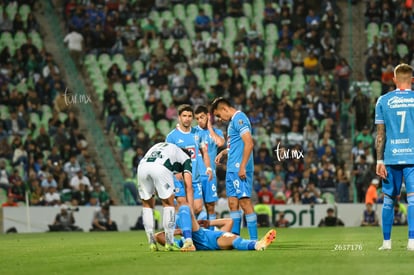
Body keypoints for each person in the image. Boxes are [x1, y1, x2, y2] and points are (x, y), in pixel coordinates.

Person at [375, 63, 414, 251]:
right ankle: (412, 242)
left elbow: (380, 134)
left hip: (391, 157)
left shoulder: (383, 100)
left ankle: (386, 243)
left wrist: (379, 160)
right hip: (413, 157)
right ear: (412, 80)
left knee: (389, 201)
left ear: (394, 80)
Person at [211, 97, 258, 240]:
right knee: (232, 203)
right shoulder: (232, 122)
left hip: (240, 168)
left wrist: (243, 166)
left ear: (225, 109)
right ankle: (235, 238)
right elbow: (236, 145)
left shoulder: (239, 118)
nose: (219, 119)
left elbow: (249, 143)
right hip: (232, 169)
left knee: (244, 202)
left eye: (218, 115)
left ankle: (254, 240)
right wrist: (224, 152)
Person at [137, 142, 196, 252]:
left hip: (142, 166)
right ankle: (169, 243)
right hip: (161, 167)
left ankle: (151, 242)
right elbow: (188, 185)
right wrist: (190, 209)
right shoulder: (186, 158)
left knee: (147, 205)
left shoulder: (163, 146)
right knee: (168, 204)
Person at [154, 206, 276, 251]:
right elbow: (157, 236)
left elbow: (229, 221)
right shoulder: (181, 241)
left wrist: (209, 223)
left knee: (234, 240)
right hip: (196, 237)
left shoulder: (218, 233)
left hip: (213, 241)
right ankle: (257, 244)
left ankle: (258, 245)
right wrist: (180, 232)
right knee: (184, 209)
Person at [165, 105, 213, 221]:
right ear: (179, 118)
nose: (187, 118)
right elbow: (167, 157)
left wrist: (208, 168)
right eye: (184, 116)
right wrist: (175, 171)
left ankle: (187, 231)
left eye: (189, 116)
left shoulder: (198, 133)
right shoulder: (172, 136)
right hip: (179, 179)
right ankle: (182, 234)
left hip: (195, 178)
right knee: (183, 207)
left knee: (197, 208)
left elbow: (204, 152)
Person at [194, 105, 225, 229]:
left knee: (210, 206)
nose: (199, 120)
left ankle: (211, 232)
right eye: (197, 118)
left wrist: (210, 128)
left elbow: (220, 143)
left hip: (210, 175)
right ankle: (195, 233)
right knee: (196, 207)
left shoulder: (216, 132)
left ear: (208, 116)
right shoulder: (193, 132)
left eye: (202, 117)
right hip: (195, 175)